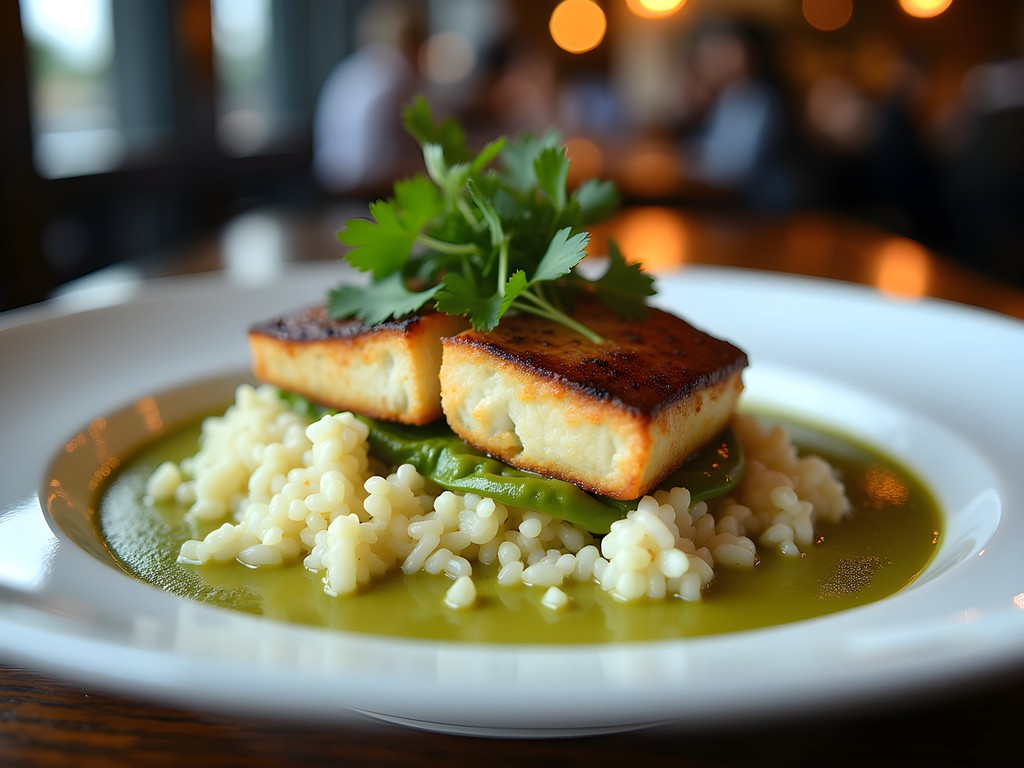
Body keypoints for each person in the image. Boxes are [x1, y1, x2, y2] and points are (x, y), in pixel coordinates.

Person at [678, 18, 806, 212]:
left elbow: (737, 168)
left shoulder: (761, 98)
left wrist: (689, 161)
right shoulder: (729, 95)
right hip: (732, 199)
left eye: (726, 52)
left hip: (759, 209)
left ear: (750, 54)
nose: (715, 61)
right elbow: (715, 147)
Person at [312, 0, 427, 197]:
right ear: (412, 40)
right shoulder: (396, 74)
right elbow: (380, 165)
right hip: (367, 190)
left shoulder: (353, 67)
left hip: (328, 186)